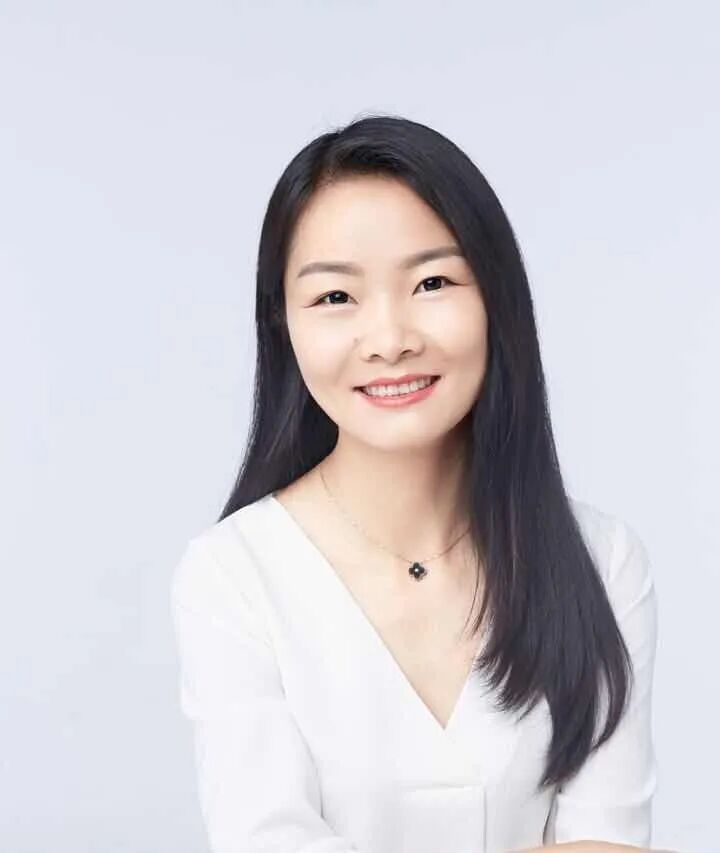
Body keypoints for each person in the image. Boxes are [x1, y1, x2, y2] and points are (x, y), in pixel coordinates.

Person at [170, 114, 663, 853]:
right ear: (284, 325)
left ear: (496, 299)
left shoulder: (602, 561)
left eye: (432, 282)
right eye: (336, 297)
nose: (391, 339)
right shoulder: (233, 575)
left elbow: (611, 841)